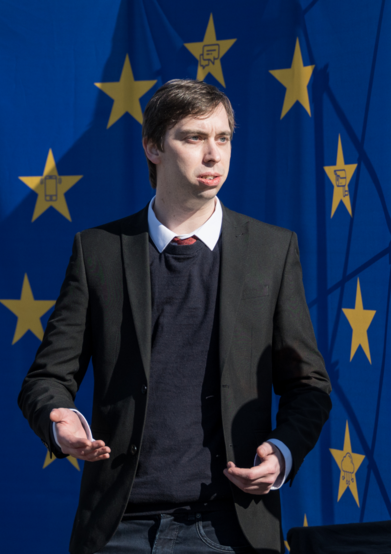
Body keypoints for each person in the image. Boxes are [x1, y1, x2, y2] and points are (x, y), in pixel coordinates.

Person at [18, 79, 332, 554]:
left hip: (230, 527)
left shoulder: (272, 250)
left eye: (223, 138)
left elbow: (308, 385)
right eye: (193, 137)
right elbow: (46, 378)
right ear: (153, 147)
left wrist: (283, 451)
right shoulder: (98, 251)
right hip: (118, 527)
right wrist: (58, 419)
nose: (213, 154)